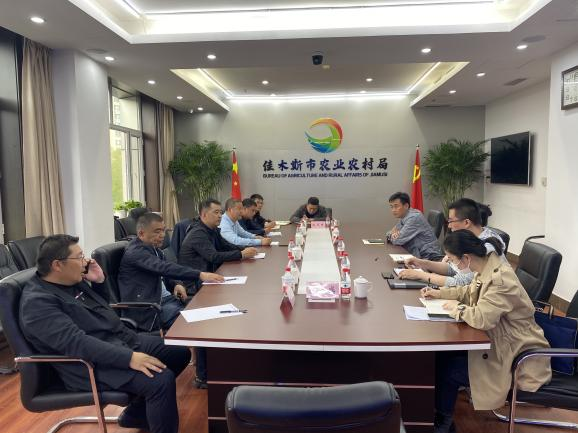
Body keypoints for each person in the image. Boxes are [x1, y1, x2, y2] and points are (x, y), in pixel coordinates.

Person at [19, 235, 191, 433]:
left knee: (179, 352)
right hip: (89, 364)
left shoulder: (69, 280)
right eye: (79, 257)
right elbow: (78, 344)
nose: (85, 262)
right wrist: (129, 358)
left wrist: (99, 282)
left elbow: (101, 311)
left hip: (119, 340)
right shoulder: (37, 303)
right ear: (57, 265)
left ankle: (136, 415)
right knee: (160, 380)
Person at [421, 230, 551, 432]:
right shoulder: (485, 266)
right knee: (443, 355)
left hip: (516, 354)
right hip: (499, 342)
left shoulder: (501, 279)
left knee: (449, 370)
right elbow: (468, 292)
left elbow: (483, 319)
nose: (453, 265)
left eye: (453, 260)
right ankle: (437, 415)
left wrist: (457, 308)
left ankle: (443, 423)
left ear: (466, 258)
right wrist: (440, 293)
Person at [178, 198, 258, 389]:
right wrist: (241, 254)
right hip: (194, 286)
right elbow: (213, 256)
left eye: (221, 212)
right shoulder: (198, 233)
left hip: (209, 280)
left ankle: (226, 362)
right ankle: (203, 376)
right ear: (203, 214)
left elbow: (225, 246)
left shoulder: (211, 230)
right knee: (210, 322)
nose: (220, 216)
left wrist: (246, 250)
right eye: (216, 212)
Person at [118, 212, 224, 332]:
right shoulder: (136, 253)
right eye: (157, 231)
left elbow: (166, 272)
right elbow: (164, 268)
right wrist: (200, 274)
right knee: (200, 323)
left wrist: (176, 284)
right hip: (151, 309)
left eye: (163, 230)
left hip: (167, 300)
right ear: (141, 233)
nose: (163, 235)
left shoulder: (154, 249)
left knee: (211, 309)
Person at [399, 198, 506, 286]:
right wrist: (421, 262)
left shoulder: (487, 247)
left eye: (451, 221)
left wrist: (420, 275)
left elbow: (461, 282)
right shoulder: (467, 238)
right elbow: (452, 269)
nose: (449, 226)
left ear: (466, 222)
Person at [386, 192, 444, 261]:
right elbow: (390, 233)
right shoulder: (404, 216)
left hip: (430, 257)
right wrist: (392, 235)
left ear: (406, 206)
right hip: (418, 254)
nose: (393, 210)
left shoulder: (414, 218)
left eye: (396, 206)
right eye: (391, 207)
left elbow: (398, 240)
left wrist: (392, 235)